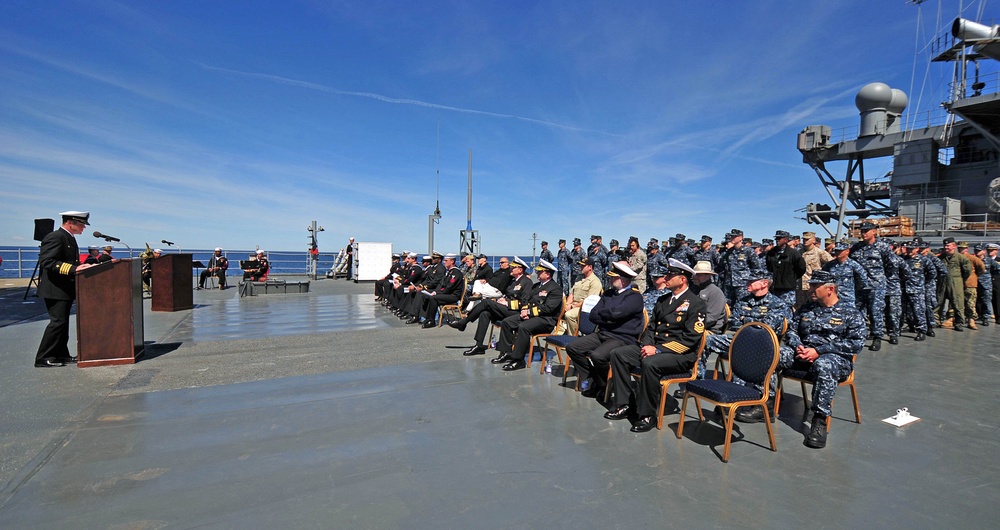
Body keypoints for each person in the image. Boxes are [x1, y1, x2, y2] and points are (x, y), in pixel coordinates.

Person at [605, 259, 707, 433]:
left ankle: (647, 414)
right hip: (655, 348)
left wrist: (658, 349)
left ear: (682, 279)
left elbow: (690, 340)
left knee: (649, 364)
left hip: (680, 354)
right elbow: (651, 328)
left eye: (670, 275)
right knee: (618, 354)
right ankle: (624, 404)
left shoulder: (696, 303)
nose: (665, 278)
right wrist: (647, 345)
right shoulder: (663, 300)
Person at [779, 270, 866, 449]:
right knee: (776, 354)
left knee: (824, 365)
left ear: (830, 289)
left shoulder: (850, 312)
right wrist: (798, 346)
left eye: (815, 286)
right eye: (811, 285)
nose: (810, 289)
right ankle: (764, 401)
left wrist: (819, 351)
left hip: (835, 360)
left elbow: (856, 343)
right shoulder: (808, 307)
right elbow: (791, 330)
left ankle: (819, 421)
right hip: (804, 353)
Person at [565, 261, 645, 398]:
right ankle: (595, 380)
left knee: (598, 356)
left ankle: (602, 385)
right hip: (603, 333)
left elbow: (617, 313)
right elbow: (594, 314)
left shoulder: (634, 297)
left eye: (614, 277)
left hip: (622, 338)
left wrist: (607, 314)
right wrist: (609, 317)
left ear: (624, 280)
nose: (611, 279)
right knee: (573, 347)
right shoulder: (608, 293)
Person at [701, 270, 790, 384]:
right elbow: (733, 322)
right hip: (738, 339)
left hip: (762, 344)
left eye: (751, 281)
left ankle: (755, 392)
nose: (747, 284)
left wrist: (745, 319)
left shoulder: (778, 304)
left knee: (752, 351)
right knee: (705, 340)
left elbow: (766, 327)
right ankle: (698, 377)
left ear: (764, 284)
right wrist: (754, 322)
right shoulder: (744, 301)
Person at [35, 211, 95, 367]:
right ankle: (44, 357)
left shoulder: (69, 238)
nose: (84, 227)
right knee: (57, 323)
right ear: (70, 223)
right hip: (55, 289)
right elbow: (47, 261)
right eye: (81, 224)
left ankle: (61, 354)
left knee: (63, 323)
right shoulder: (55, 237)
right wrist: (74, 269)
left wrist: (81, 267)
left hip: (64, 288)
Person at [449, 257, 533, 356]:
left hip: (515, 312)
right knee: (485, 313)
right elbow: (508, 293)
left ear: (520, 270)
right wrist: (504, 299)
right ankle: (479, 345)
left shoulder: (526, 282)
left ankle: (464, 322)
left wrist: (507, 303)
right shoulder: (514, 281)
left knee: (487, 302)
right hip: (506, 309)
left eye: (513, 267)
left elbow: (525, 302)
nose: (511, 268)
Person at [492, 259, 564, 371]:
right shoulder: (536, 286)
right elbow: (527, 302)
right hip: (533, 317)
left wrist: (529, 313)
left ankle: (518, 360)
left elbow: (548, 309)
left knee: (523, 327)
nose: (537, 273)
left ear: (548, 274)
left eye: (540, 272)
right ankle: (506, 353)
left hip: (546, 320)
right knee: (507, 322)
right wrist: (524, 311)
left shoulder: (555, 289)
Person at [850, 221, 894, 350]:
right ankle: (860, 335)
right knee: (858, 312)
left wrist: (881, 278)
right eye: (862, 231)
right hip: (859, 286)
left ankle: (877, 337)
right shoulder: (856, 247)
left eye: (866, 231)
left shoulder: (882, 247)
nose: (863, 233)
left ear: (874, 231)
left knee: (876, 312)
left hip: (876, 285)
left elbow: (891, 264)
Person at [415, 253, 465, 328]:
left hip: (453, 296)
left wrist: (437, 293)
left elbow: (449, 287)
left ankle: (431, 321)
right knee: (428, 295)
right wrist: (435, 291)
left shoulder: (456, 273)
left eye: (446, 260)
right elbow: (441, 284)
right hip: (447, 294)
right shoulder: (449, 272)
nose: (444, 262)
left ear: (452, 261)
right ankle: (427, 318)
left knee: (433, 298)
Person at [821, 241, 870, 310]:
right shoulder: (829, 265)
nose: (838, 252)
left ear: (847, 251)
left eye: (840, 251)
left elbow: (863, 279)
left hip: (848, 298)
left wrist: (857, 291)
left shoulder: (853, 265)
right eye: (836, 250)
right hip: (832, 297)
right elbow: (823, 278)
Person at [719, 228, 762, 305]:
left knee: (743, 304)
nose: (732, 238)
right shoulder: (729, 252)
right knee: (728, 305)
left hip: (743, 284)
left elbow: (757, 268)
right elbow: (722, 267)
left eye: (735, 236)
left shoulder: (748, 251)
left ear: (741, 238)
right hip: (729, 284)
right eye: (732, 236)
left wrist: (751, 281)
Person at [562, 258, 604, 336]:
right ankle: (560, 331)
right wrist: (567, 304)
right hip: (573, 305)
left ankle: (571, 338)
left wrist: (572, 306)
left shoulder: (595, 282)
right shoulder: (579, 278)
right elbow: (572, 293)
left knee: (569, 315)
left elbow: (589, 302)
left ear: (590, 267)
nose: (581, 267)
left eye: (583, 266)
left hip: (584, 308)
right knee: (559, 308)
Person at [765, 230, 806, 308]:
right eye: (776, 238)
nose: (777, 240)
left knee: (787, 309)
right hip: (774, 288)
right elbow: (769, 267)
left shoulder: (793, 253)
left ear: (786, 240)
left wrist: (791, 277)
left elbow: (801, 268)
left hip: (788, 288)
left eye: (779, 238)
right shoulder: (771, 253)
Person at [937, 237, 971, 331]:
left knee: (957, 303)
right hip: (942, 282)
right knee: (939, 301)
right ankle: (936, 321)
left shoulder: (961, 258)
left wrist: (960, 279)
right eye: (945, 245)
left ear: (954, 246)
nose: (946, 247)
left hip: (956, 282)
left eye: (948, 245)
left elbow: (967, 271)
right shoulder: (940, 257)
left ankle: (959, 322)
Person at [797, 231, 833, 309]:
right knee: (800, 307)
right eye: (804, 239)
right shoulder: (798, 253)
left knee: (814, 307)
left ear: (814, 240)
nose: (805, 241)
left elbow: (832, 264)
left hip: (813, 286)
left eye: (807, 239)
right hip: (800, 287)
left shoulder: (820, 252)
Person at [690, 260, 726, 334]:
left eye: (699, 275)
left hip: (708, 330)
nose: (695, 277)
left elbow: (711, 318)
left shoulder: (715, 292)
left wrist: (689, 323)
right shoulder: (692, 289)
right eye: (694, 274)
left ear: (708, 276)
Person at [959, 242, 985, 329]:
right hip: (959, 283)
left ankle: (971, 320)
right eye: (959, 248)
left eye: (963, 248)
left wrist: (975, 276)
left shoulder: (972, 258)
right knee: (957, 303)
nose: (961, 250)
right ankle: (956, 319)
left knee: (971, 303)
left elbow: (982, 268)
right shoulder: (957, 257)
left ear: (967, 248)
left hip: (970, 284)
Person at [975, 245, 993, 326]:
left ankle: (985, 317)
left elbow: (997, 268)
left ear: (984, 251)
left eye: (979, 250)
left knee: (986, 301)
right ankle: (978, 315)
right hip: (975, 283)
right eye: (976, 250)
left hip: (986, 284)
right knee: (975, 301)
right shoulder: (973, 260)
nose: (977, 252)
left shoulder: (989, 260)